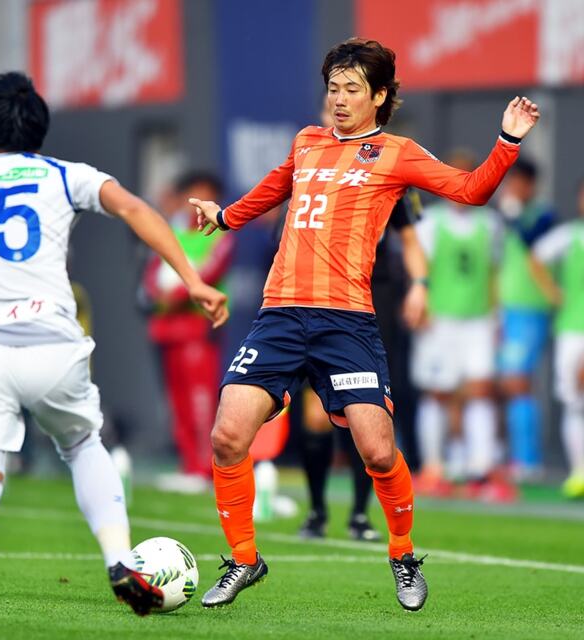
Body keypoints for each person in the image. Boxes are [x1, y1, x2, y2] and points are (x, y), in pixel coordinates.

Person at [190, 38, 539, 612]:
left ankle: (402, 553)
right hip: (280, 314)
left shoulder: (397, 153)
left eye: (352, 89)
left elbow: (470, 190)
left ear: (379, 96)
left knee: (377, 452)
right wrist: (225, 216)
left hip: (346, 322)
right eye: (333, 88)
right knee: (228, 436)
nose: (339, 99)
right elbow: (275, 188)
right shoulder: (307, 141)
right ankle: (244, 559)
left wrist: (507, 141)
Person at [0, 72, 228, 633]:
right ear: (39, 129)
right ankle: (120, 561)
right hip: (49, 339)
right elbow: (135, 210)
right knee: (81, 444)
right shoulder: (62, 174)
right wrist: (192, 279)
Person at [299, 191, 428, 541]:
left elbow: (410, 238)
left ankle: (359, 513)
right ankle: (316, 511)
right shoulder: (312, 171)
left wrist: (419, 285)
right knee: (316, 412)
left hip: (374, 295)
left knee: (366, 408)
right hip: (320, 296)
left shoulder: (390, 177)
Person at [411, 150, 512, 501]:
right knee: (437, 392)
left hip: (478, 320)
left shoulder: (491, 224)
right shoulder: (430, 222)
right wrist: (420, 305)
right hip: (440, 320)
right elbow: (418, 266)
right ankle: (433, 467)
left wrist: (498, 317)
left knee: (480, 391)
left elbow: (495, 273)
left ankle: (479, 469)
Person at [141, 171, 234, 493]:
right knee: (177, 400)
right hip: (167, 329)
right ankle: (189, 465)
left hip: (198, 328)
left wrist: (175, 295)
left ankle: (206, 468)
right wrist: (159, 295)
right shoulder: (172, 234)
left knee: (201, 400)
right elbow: (152, 274)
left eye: (206, 198)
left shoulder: (221, 236)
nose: (198, 206)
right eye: (193, 198)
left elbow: (209, 273)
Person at [497, 158, 556, 481]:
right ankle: (514, 456)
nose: (512, 188)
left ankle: (528, 460)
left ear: (531, 185)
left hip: (531, 308)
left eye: (518, 182)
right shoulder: (506, 216)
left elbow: (535, 243)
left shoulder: (544, 216)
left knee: (519, 382)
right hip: (506, 308)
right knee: (506, 384)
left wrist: (515, 217)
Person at [529, 177, 584, 498]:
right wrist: (553, 293)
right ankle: (578, 473)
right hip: (573, 328)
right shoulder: (570, 236)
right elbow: (536, 257)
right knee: (574, 401)